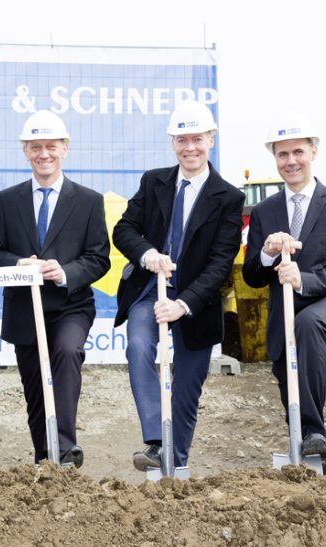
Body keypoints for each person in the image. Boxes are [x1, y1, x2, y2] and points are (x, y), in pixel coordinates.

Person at [113, 100, 244, 472]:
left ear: (211, 140)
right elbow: (124, 229)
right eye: (182, 140)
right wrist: (147, 254)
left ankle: (175, 462)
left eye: (197, 139)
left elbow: (220, 263)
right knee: (139, 346)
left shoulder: (229, 198)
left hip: (196, 303)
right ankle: (157, 440)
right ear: (172, 142)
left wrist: (183, 304)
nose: (190, 147)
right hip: (149, 292)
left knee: (186, 386)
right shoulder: (153, 181)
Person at [242, 113, 326, 460]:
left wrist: (304, 280)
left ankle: (315, 432)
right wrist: (267, 254)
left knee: (309, 323)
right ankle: (308, 454)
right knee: (290, 383)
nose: (291, 161)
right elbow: (252, 276)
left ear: (314, 152)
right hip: (284, 315)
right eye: (282, 154)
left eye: (298, 151)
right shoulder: (264, 211)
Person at [0, 110, 110, 468]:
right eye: (36, 147)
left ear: (65, 149)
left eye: (51, 146)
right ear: (25, 151)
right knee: (35, 388)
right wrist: (17, 264)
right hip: (24, 309)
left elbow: (99, 258)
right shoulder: (8, 200)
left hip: (70, 305)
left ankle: (65, 449)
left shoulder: (88, 201)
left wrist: (65, 272)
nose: (44, 154)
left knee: (67, 353)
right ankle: (45, 458)